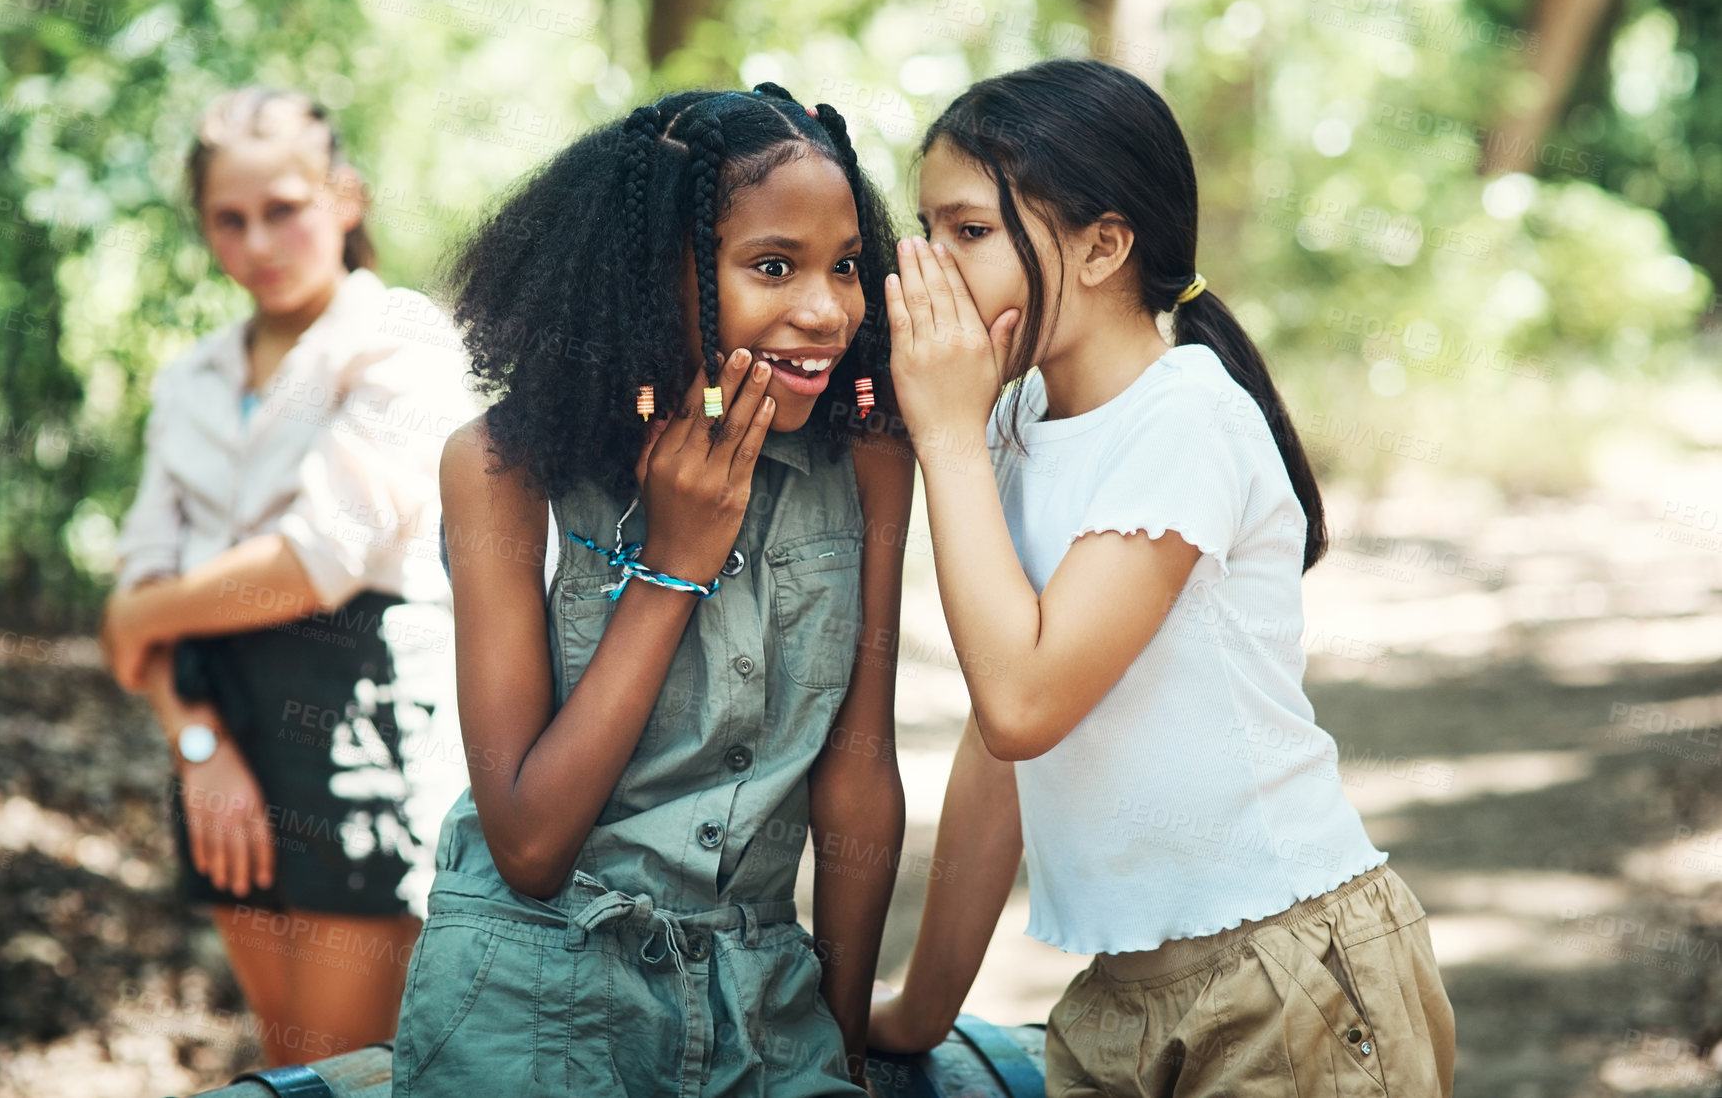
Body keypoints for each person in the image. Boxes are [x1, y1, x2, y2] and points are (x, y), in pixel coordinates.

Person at [866, 59, 1457, 1096]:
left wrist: (947, 438)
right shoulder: (1012, 423)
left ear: (1103, 244)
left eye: (970, 231)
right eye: (926, 229)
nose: (930, 267)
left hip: (1288, 980)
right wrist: (921, 1009)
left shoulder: (1185, 417)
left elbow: (1022, 704)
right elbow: (994, 747)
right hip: (1118, 998)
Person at [392, 82, 910, 1097]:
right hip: (534, 992)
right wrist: (675, 564)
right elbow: (530, 842)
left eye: (846, 266)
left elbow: (858, 769)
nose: (828, 309)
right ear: (646, 279)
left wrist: (838, 1046)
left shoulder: (871, 460)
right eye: (773, 266)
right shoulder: (504, 468)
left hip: (769, 1002)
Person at [100, 87, 476, 1066]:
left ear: (344, 198)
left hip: (349, 720)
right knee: (282, 1053)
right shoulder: (188, 380)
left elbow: (316, 562)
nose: (259, 240)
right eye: (229, 218)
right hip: (212, 721)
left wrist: (147, 612)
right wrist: (195, 743)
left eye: (285, 208)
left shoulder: (401, 340)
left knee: (347, 1066)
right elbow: (140, 582)